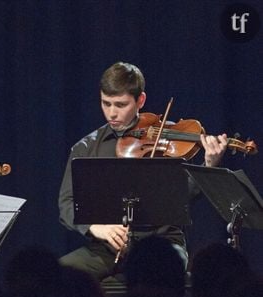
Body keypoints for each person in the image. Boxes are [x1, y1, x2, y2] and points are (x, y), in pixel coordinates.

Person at [58, 62, 228, 281]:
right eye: (106, 103)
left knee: (156, 274)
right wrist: (94, 227)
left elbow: (184, 197)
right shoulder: (86, 147)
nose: (112, 113)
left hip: (162, 244)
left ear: (140, 100)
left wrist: (209, 165)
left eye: (120, 105)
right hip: (107, 247)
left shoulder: (168, 137)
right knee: (57, 276)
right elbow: (66, 203)